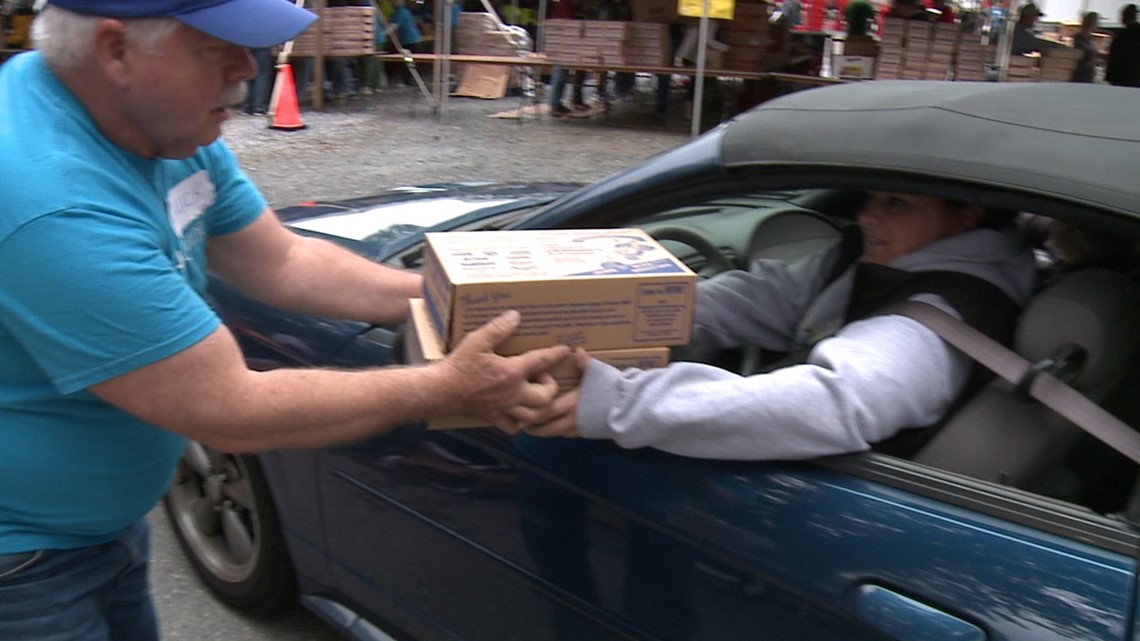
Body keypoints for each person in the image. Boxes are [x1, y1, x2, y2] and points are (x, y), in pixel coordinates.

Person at [0, 2, 569, 639]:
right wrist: (448, 387)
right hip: (24, 560)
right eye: (218, 47)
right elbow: (228, 407)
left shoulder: (147, 123)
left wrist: (451, 298)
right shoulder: (48, 201)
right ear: (116, 50)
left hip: (96, 529)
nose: (249, 70)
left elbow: (284, 260)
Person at [519, 192, 1037, 461]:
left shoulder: (937, 317)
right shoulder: (883, 260)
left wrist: (614, 403)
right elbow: (756, 298)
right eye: (870, 199)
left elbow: (831, 402)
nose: (866, 216)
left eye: (895, 203)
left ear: (966, 217)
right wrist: (594, 315)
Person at [1106, 3, 1140, 86]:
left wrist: (1109, 77)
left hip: (1121, 79)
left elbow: (1114, 58)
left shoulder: (1121, 36)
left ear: (1125, 17)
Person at [242, 46, 274, 115]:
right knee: (262, 76)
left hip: (245, 44)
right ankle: (259, 108)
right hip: (262, 44)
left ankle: (247, 107)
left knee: (248, 74)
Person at [1071, 11, 1100, 83]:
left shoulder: (1090, 39)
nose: (1097, 24)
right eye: (1096, 22)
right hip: (1082, 74)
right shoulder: (1079, 38)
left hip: (1089, 74)